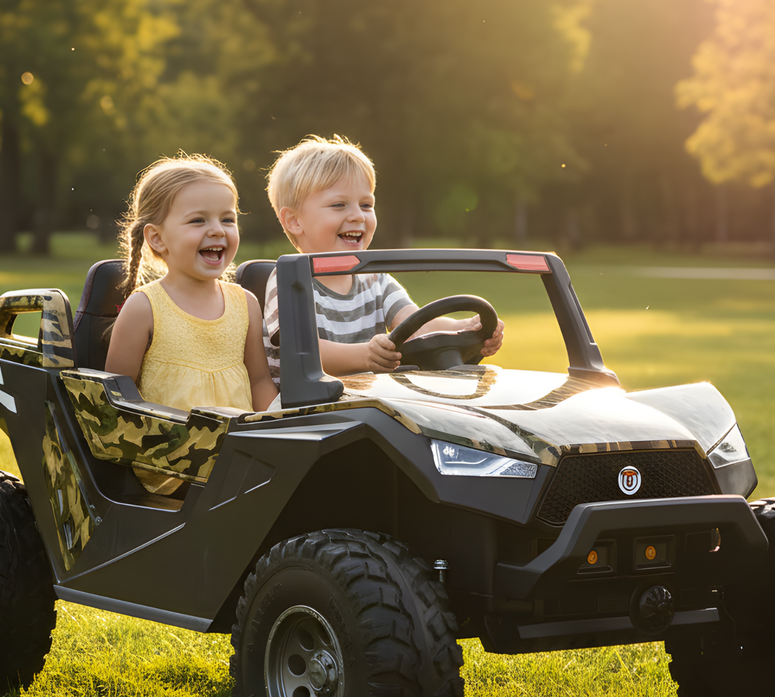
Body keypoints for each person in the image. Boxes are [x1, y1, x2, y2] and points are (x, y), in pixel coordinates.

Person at [261, 135, 505, 385]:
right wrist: (364, 356)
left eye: (366, 204)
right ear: (294, 220)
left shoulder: (375, 278)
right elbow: (300, 351)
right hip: (305, 412)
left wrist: (466, 328)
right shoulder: (289, 280)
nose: (357, 215)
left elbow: (416, 324)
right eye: (338, 205)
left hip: (368, 404)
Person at [105, 156, 278, 490]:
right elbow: (118, 400)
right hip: (171, 464)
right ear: (157, 239)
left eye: (228, 219)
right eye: (198, 220)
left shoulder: (246, 304)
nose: (217, 229)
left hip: (239, 454)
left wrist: (274, 430)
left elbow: (258, 381)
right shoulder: (144, 308)